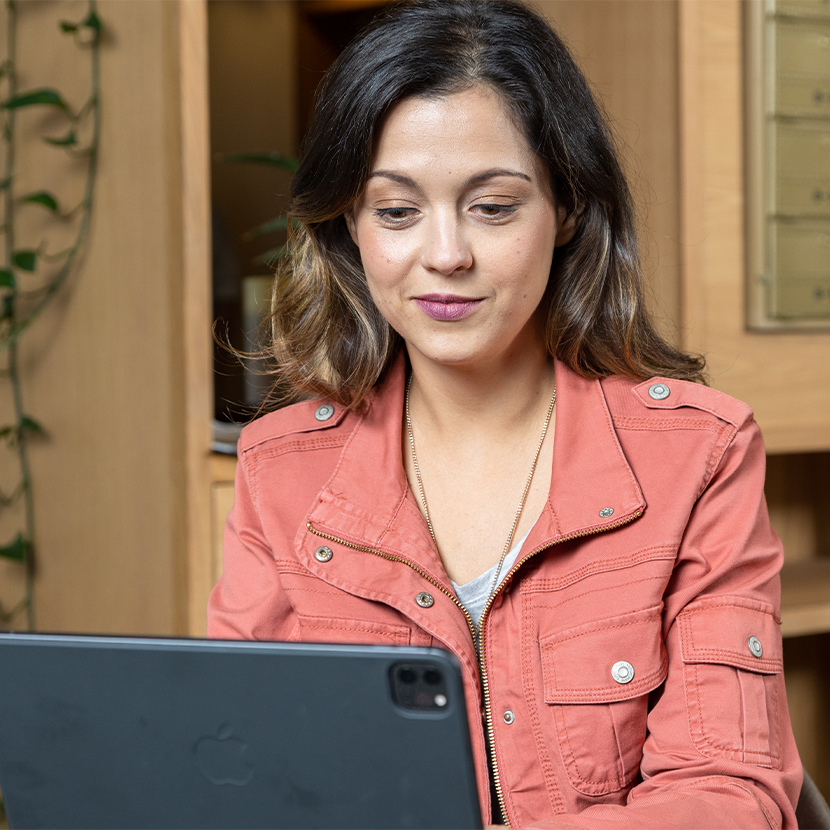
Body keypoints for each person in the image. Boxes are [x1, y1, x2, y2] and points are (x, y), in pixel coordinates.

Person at [207, 1, 802, 826]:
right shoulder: (280, 467)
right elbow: (245, 768)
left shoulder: (699, 453)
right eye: (396, 210)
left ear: (565, 210)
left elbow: (725, 793)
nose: (445, 254)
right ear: (349, 224)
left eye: (492, 207)